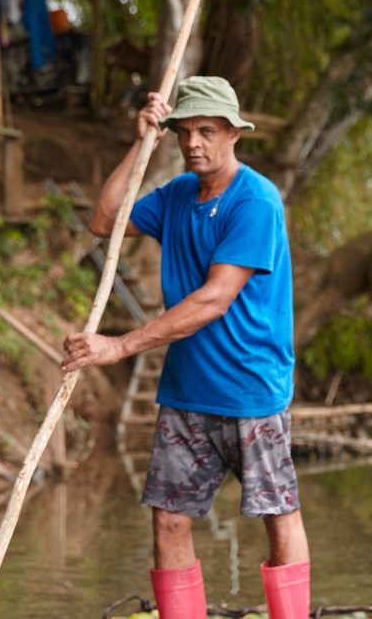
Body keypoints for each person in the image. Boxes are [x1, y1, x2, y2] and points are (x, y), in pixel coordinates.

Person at [61, 76, 310, 618]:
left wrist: (119, 346)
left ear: (234, 134)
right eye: (184, 132)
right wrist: (142, 141)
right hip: (187, 392)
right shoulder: (175, 196)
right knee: (170, 519)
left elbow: (213, 300)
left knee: (277, 513)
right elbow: (104, 220)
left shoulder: (257, 200)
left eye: (208, 131)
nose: (194, 142)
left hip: (251, 392)